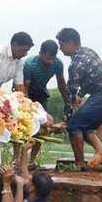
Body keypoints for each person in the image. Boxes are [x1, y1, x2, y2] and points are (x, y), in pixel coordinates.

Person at [56, 27, 102, 169]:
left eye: (61, 44)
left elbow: (69, 96)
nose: (60, 48)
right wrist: (80, 95)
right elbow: (92, 77)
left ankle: (80, 165)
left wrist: (66, 120)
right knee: (85, 125)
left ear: (70, 43)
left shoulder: (75, 65)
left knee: (74, 125)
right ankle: (101, 149)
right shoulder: (89, 52)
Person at [22, 40, 68, 168]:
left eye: (52, 58)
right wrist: (28, 108)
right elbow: (24, 87)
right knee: (27, 127)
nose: (49, 62)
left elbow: (61, 83)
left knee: (44, 126)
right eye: (47, 58)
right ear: (40, 53)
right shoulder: (30, 64)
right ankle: (20, 160)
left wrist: (67, 102)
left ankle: (32, 161)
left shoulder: (57, 64)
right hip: (27, 95)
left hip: (42, 94)